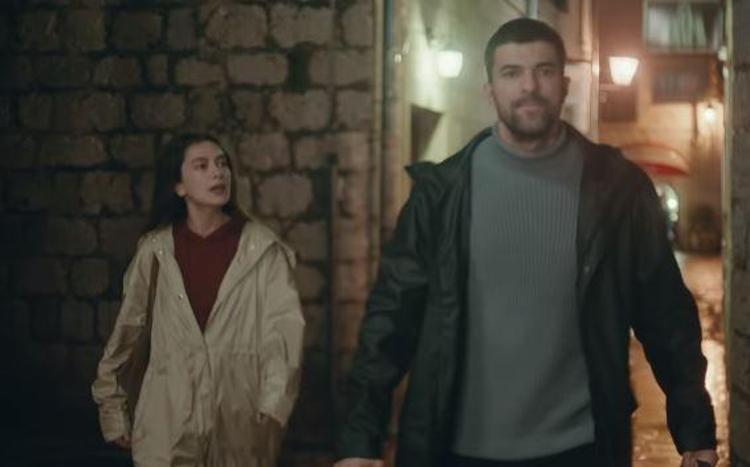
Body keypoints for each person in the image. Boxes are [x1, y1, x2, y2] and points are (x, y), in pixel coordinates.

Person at [334, 18, 717, 467]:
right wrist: (360, 441)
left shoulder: (617, 190)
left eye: (544, 71)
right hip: (456, 451)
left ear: (565, 84)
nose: (529, 86)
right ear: (490, 90)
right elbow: (390, 319)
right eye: (511, 72)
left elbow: (664, 311)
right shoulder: (441, 194)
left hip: (581, 449)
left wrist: (695, 429)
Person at [92, 134, 305, 466]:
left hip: (239, 423)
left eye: (222, 164)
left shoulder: (263, 251)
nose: (217, 173)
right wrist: (112, 408)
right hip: (166, 423)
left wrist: (272, 407)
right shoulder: (156, 251)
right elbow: (128, 332)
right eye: (201, 166)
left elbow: (283, 333)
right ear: (179, 186)